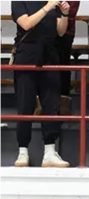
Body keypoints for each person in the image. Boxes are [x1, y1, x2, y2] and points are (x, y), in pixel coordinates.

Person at [11, 0, 71, 168]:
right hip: (27, 57)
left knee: (51, 104)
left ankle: (50, 152)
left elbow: (60, 31)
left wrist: (65, 14)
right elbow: (27, 23)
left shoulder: (51, 3)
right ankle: (23, 151)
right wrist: (47, 7)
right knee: (25, 105)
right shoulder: (19, 2)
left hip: (50, 57)